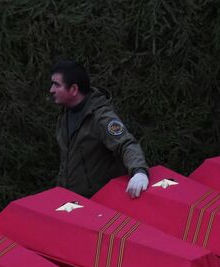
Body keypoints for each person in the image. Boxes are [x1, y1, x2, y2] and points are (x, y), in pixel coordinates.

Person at [49, 60, 149, 198]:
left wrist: (139, 172)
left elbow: (126, 144)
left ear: (73, 89)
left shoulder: (101, 117)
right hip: (71, 201)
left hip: (99, 201)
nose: (51, 90)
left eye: (56, 85)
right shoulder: (65, 115)